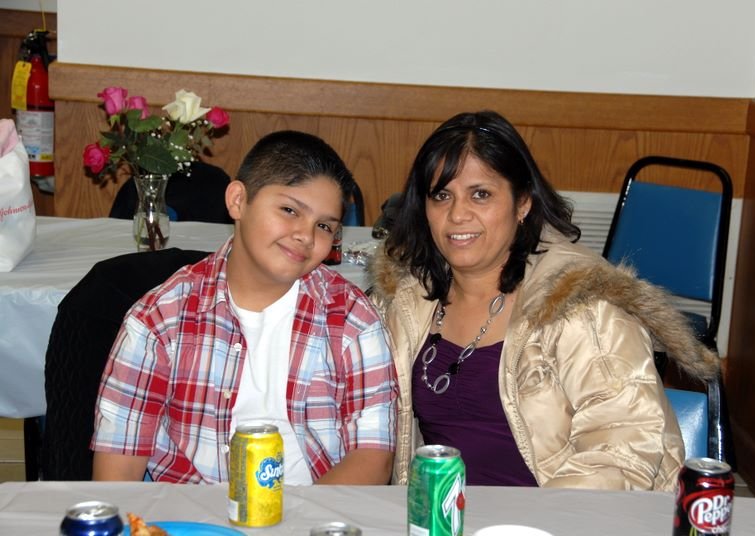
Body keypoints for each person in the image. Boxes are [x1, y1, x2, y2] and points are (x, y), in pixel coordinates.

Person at [369, 110, 719, 490]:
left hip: (560, 514)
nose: (457, 215)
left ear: (523, 203)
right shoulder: (406, 301)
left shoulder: (582, 306)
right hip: (439, 514)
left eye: (480, 194)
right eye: (441, 196)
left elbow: (621, 454)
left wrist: (533, 520)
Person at [92, 130, 398, 484]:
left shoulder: (351, 319)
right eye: (289, 210)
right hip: (190, 509)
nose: (306, 235)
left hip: (316, 508)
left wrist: (297, 516)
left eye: (324, 226)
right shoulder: (160, 318)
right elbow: (118, 472)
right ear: (238, 200)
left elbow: (373, 459)